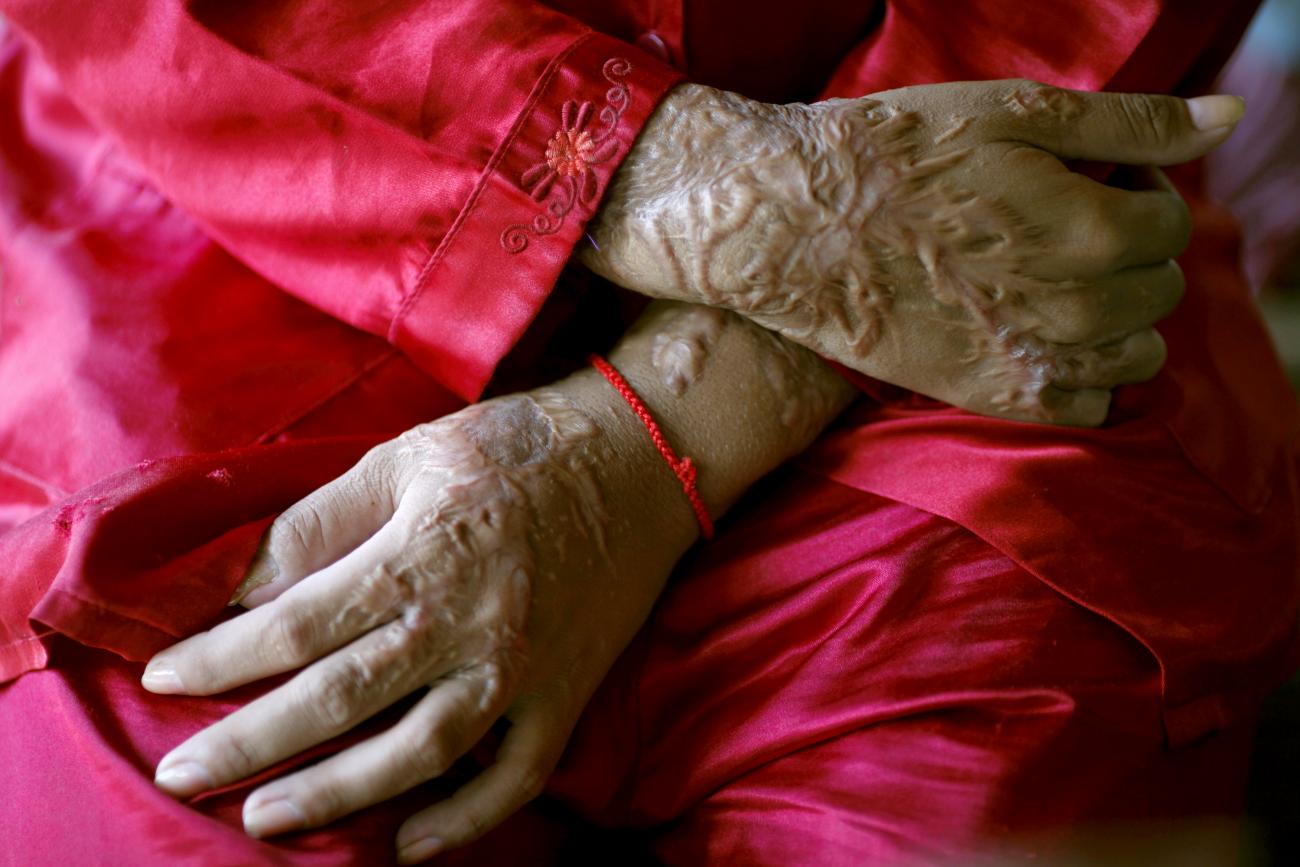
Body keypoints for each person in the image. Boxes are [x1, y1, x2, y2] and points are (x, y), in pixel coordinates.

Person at [0, 1, 1295, 865]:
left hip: (964, 237)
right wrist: (670, 178)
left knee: (972, 822)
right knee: (205, 797)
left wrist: (662, 426)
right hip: (246, 211)